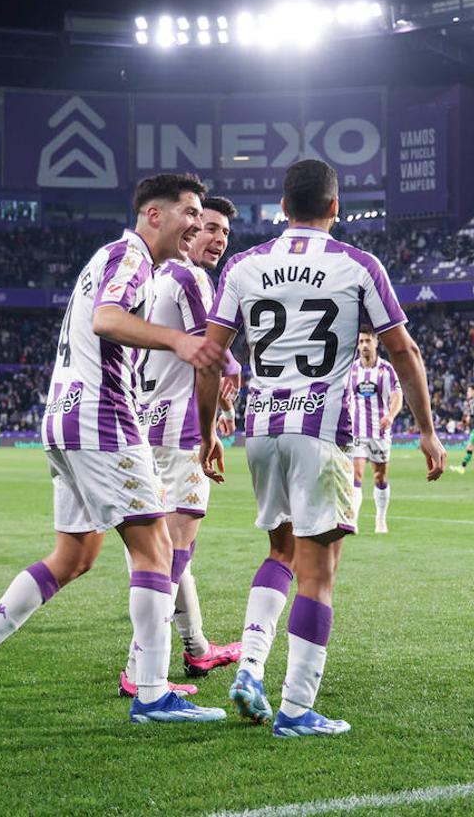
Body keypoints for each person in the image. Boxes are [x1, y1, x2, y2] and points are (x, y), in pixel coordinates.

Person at [0, 174, 226, 724]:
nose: (196, 223)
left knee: (74, 557)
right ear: (153, 215)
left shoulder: (113, 258)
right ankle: (152, 692)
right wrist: (180, 340)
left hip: (64, 417)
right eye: (188, 211)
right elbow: (106, 319)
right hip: (101, 418)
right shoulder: (130, 255)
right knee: (156, 550)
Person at [196, 159, 446, 737]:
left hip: (259, 427)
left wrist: (209, 429)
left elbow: (211, 356)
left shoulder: (243, 264)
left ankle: (252, 667)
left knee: (280, 552)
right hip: (322, 428)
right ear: (335, 208)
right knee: (319, 571)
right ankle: (297, 708)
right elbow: (402, 350)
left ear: (282, 208)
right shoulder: (358, 265)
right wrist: (427, 429)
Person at [118, 196, 243, 699]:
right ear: (187, 229)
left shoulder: (151, 279)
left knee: (171, 550)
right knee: (173, 553)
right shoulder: (191, 279)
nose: (217, 238)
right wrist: (214, 419)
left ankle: (195, 646)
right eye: (208, 226)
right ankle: (139, 668)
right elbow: (207, 356)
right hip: (181, 430)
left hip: (149, 425)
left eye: (225, 233)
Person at [346, 327, 403, 534]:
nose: (363, 346)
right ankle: (352, 520)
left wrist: (390, 416)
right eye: (360, 342)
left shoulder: (386, 370)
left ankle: (380, 519)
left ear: (376, 343)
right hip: (357, 432)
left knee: (380, 477)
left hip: (380, 432)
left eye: (367, 341)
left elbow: (397, 395)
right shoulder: (351, 370)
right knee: (356, 474)